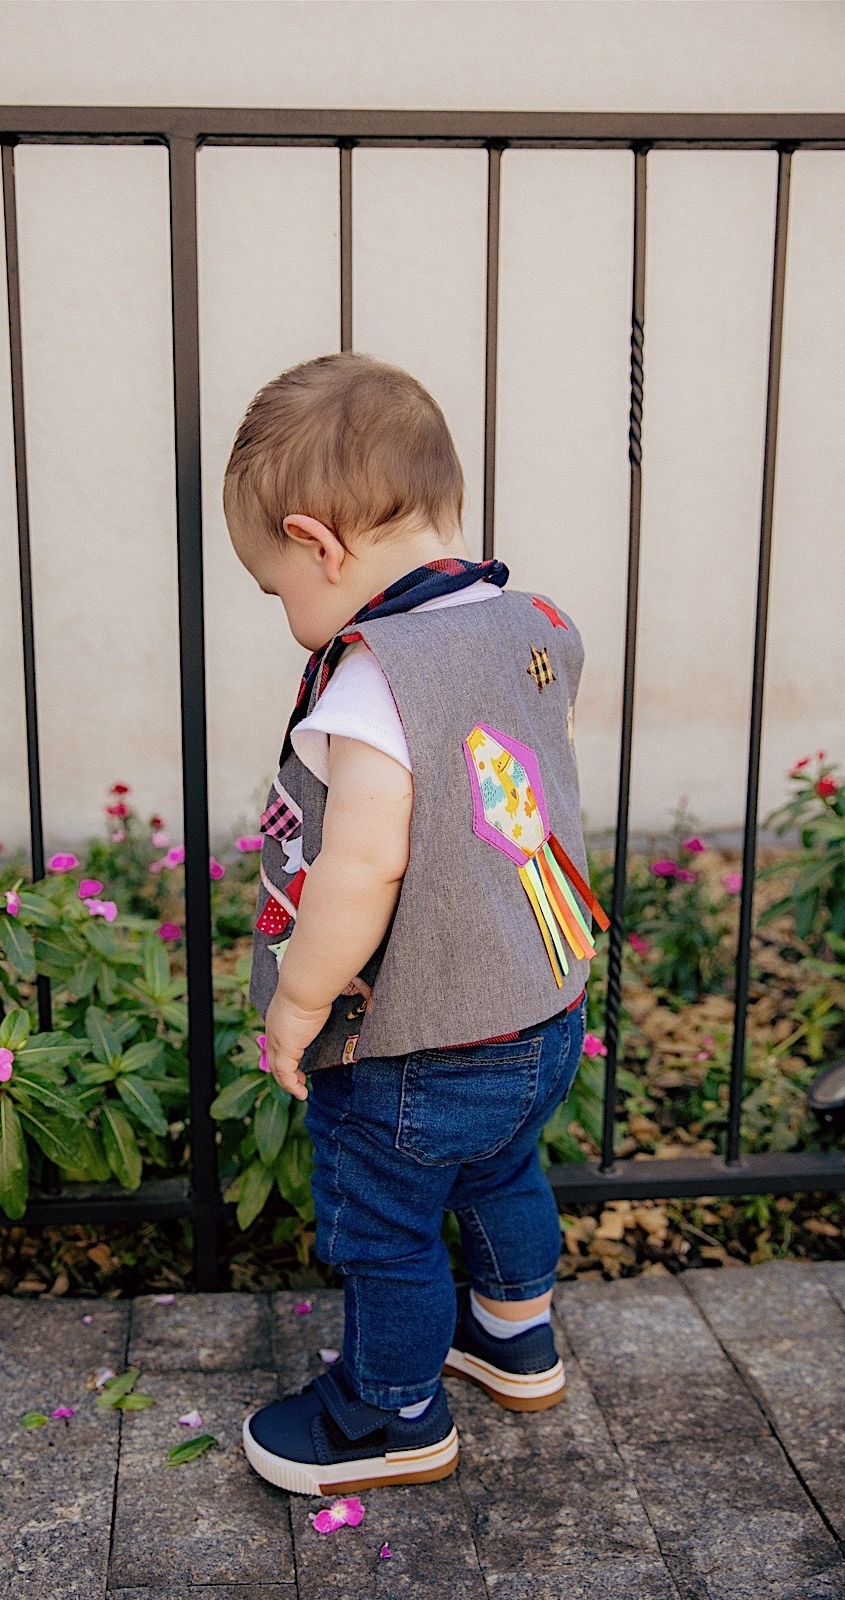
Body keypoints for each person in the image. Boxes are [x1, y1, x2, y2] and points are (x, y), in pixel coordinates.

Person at [223, 352, 607, 1497]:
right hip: (539, 1006)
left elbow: (367, 863)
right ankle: (512, 1335)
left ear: (319, 542)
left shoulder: (370, 678)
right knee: (499, 1172)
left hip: (417, 1043)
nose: (292, 620)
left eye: (276, 588)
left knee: (385, 1227)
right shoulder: (529, 623)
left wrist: (298, 1001)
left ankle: (387, 1414)